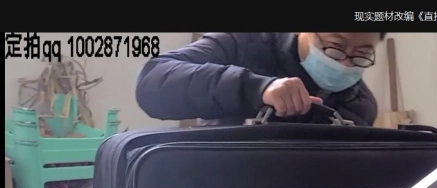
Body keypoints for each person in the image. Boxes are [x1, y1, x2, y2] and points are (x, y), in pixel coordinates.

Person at [135, 32, 386, 127]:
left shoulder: (362, 106)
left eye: (361, 55)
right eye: (335, 47)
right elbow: (152, 82)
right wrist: (254, 88)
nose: (345, 64)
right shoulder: (242, 44)